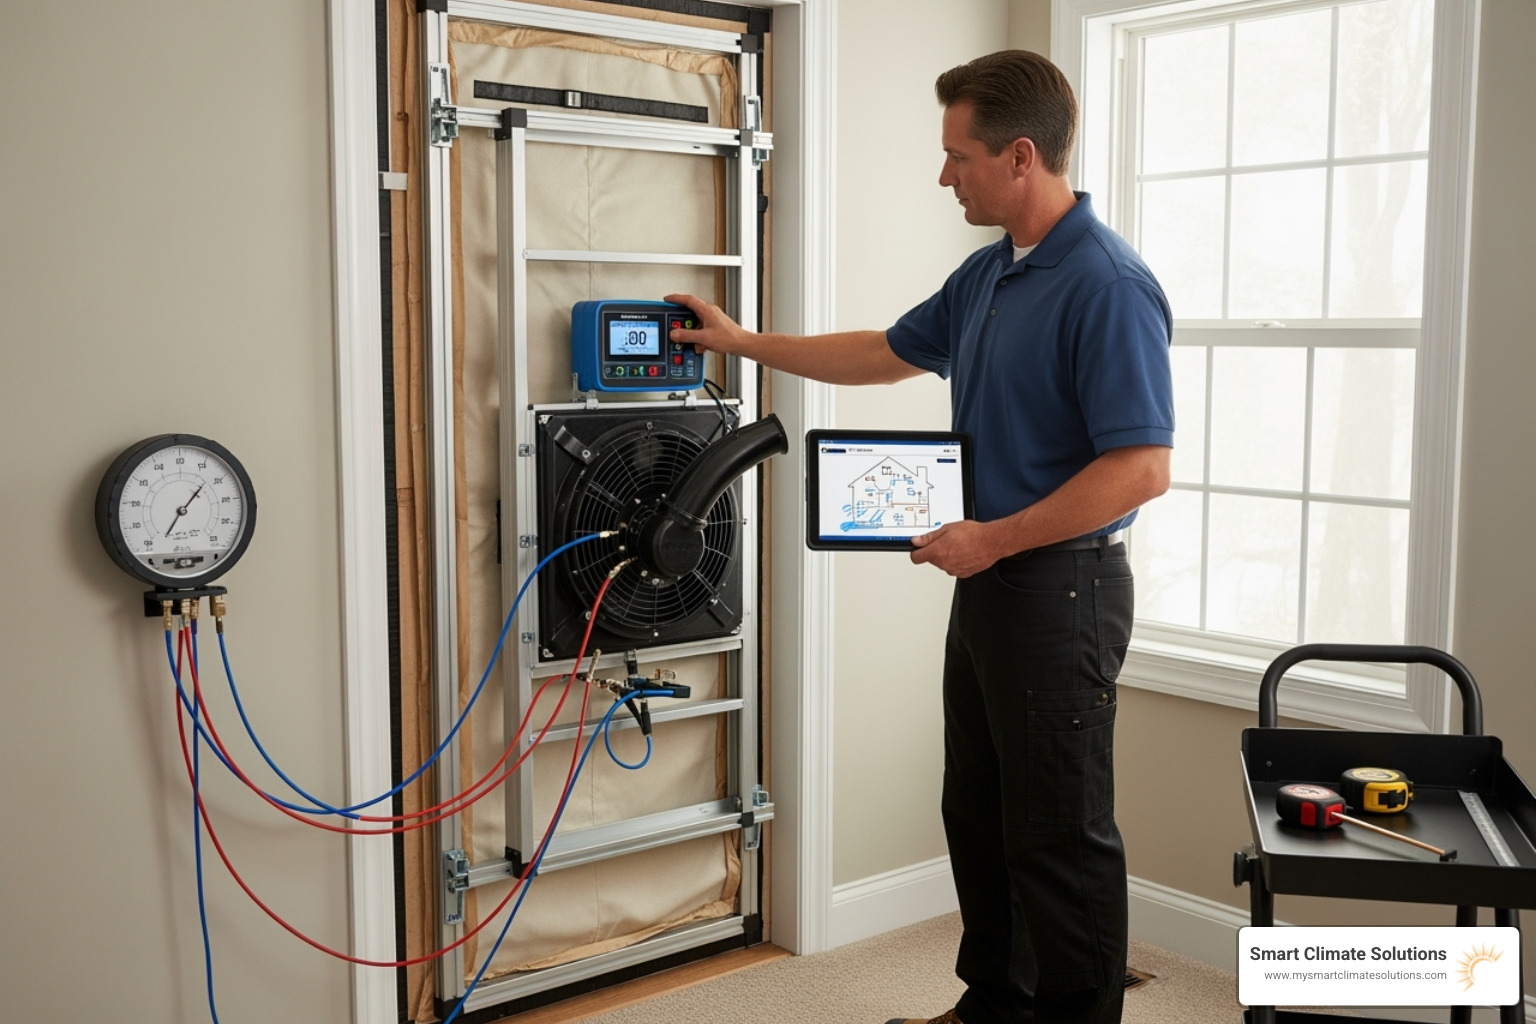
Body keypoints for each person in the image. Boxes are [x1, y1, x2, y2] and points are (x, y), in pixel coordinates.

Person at [667, 50, 1173, 1024]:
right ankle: (995, 1004)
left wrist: (996, 538)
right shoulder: (989, 275)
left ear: (1019, 156)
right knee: (978, 812)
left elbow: (1141, 468)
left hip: (1062, 587)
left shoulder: (1107, 284)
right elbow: (884, 351)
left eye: (959, 156)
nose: (945, 177)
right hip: (992, 581)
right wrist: (741, 343)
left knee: (1058, 834)